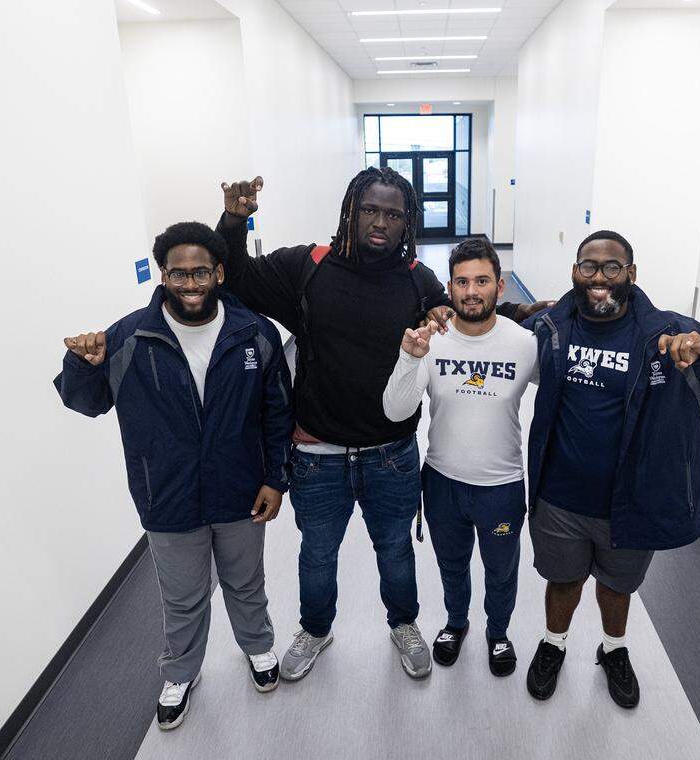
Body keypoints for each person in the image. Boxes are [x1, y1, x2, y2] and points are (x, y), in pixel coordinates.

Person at [214, 169, 549, 681]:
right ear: (351, 208)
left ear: (407, 222)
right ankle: (316, 629)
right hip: (317, 452)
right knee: (318, 554)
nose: (380, 222)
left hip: (391, 453)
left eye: (394, 215)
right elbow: (234, 277)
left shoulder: (416, 278)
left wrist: (521, 313)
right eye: (370, 209)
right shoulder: (307, 267)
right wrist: (235, 221)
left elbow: (463, 311)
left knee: (395, 550)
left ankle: (404, 624)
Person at [54, 222, 293, 729]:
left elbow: (277, 413)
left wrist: (277, 478)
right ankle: (181, 672)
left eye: (200, 272)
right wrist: (83, 366)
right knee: (182, 597)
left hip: (242, 489)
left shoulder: (255, 332)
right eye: (178, 273)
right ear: (163, 275)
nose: (189, 283)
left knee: (245, 584)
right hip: (167, 496)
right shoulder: (128, 337)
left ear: (220, 272)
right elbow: (87, 402)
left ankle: (258, 648)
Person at [521, 230, 700, 709]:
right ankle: (553, 644)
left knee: (617, 585)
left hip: (630, 502)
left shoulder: (666, 334)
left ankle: (613, 649)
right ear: (574, 270)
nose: (599, 277)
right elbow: (492, 335)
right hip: (560, 496)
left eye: (612, 267)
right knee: (563, 581)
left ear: (631, 274)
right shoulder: (551, 327)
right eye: (588, 265)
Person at [382, 238, 540, 677]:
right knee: (451, 565)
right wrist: (407, 358)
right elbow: (396, 410)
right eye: (462, 281)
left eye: (482, 281)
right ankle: (455, 623)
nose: (472, 291)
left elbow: (567, 395)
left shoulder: (524, 344)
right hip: (443, 482)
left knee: (501, 568)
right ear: (449, 288)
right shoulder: (430, 341)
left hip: (502, 485)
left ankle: (499, 632)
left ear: (500, 287)